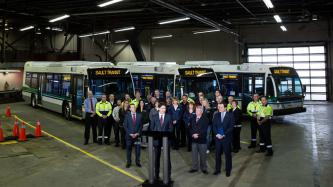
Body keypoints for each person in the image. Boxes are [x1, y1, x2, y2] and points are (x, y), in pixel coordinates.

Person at [149, 104, 173, 181]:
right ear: (159, 108)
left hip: (166, 141)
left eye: (165, 108)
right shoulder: (154, 116)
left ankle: (168, 175)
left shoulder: (168, 116)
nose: (164, 110)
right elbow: (151, 128)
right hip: (157, 141)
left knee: (167, 159)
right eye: (162, 108)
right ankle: (156, 175)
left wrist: (165, 135)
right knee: (157, 158)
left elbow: (171, 128)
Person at [212, 102, 235, 177]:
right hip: (218, 138)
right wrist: (217, 134)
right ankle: (217, 169)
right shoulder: (216, 115)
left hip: (226, 138)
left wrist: (223, 134)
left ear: (225, 108)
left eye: (221, 107)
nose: (219, 108)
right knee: (217, 154)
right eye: (218, 107)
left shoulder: (230, 115)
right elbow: (214, 126)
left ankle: (228, 170)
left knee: (227, 155)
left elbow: (231, 127)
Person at [188, 105, 209, 174]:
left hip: (202, 140)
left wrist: (198, 135)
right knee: (194, 155)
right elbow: (190, 128)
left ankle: (204, 168)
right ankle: (194, 167)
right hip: (194, 139)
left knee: (203, 155)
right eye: (196, 110)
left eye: (198, 110)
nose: (197, 112)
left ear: (202, 111)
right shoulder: (192, 118)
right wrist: (192, 134)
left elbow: (204, 130)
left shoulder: (205, 119)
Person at [124, 104, 143, 168]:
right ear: (130, 109)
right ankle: (128, 162)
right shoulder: (127, 116)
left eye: (134, 107)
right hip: (129, 136)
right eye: (132, 107)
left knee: (138, 150)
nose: (134, 108)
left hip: (137, 137)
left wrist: (137, 133)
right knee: (129, 150)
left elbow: (141, 126)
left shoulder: (139, 115)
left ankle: (137, 162)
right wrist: (130, 133)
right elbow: (125, 126)